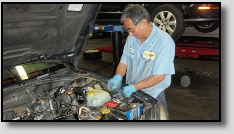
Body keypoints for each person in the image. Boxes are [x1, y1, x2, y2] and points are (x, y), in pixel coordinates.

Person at [107, 4, 175, 114]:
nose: (129, 33)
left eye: (131, 29)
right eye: (127, 30)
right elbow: (124, 62)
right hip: (132, 90)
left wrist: (133, 88)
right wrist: (118, 76)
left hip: (153, 94)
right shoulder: (132, 38)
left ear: (143, 22)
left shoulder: (164, 42)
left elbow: (159, 76)